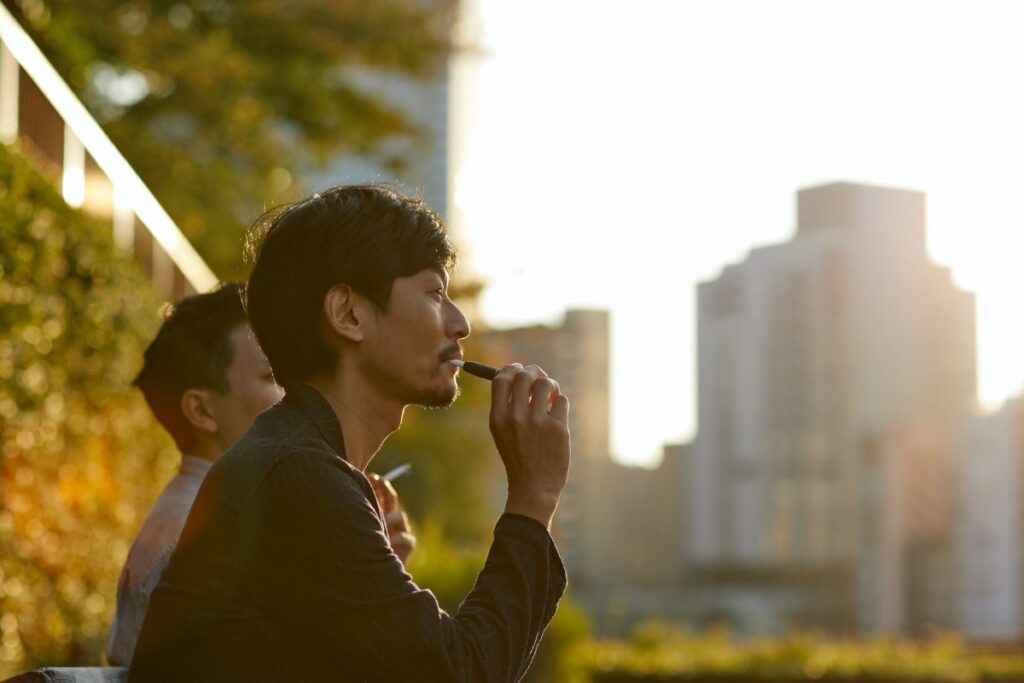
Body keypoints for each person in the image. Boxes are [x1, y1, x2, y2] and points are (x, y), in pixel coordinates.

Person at [129, 185, 571, 682]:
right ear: (348, 314)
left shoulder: (297, 461)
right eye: (433, 293)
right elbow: (461, 673)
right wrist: (534, 496)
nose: (461, 324)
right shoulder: (296, 474)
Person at [105, 283, 285, 666]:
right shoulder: (206, 530)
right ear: (202, 411)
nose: (295, 391)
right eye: (273, 376)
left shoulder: (206, 512)